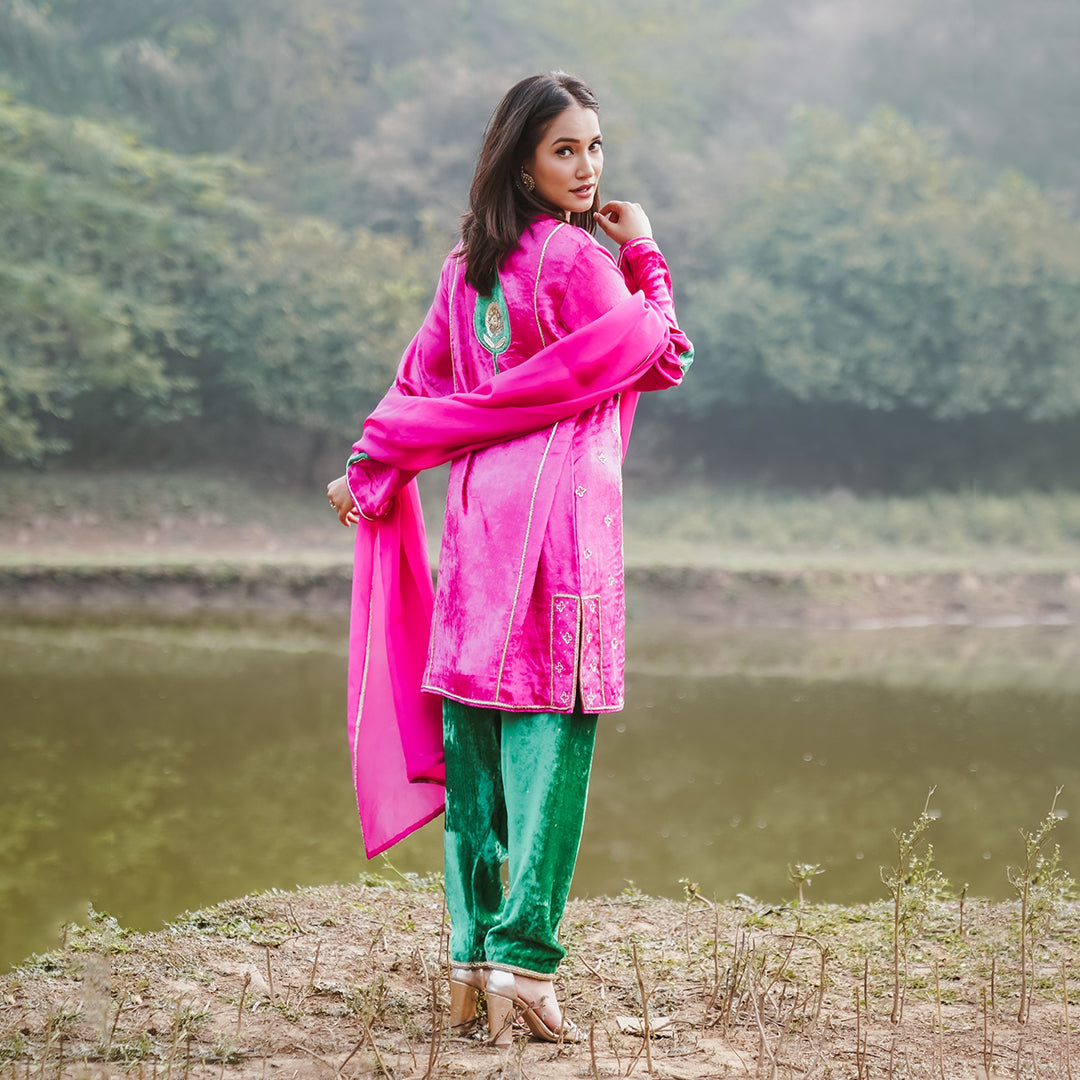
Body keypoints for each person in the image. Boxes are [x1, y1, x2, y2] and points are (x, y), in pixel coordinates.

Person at [326, 71, 693, 1047]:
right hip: (560, 532)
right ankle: (524, 967)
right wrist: (646, 248)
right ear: (522, 160)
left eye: (596, 147)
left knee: (479, 748)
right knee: (554, 748)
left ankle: (469, 962)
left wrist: (372, 464)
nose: (587, 167)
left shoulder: (466, 268)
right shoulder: (579, 261)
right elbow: (659, 350)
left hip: (479, 525)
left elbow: (418, 386)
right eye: (566, 149)